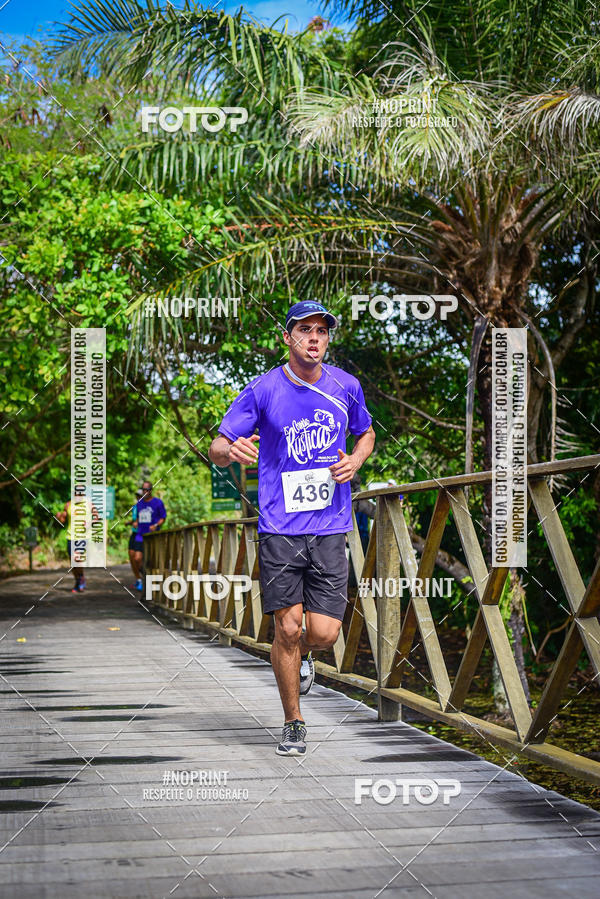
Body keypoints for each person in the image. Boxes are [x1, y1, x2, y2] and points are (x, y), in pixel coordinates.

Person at [209, 301, 375, 756]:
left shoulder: (347, 386)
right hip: (280, 525)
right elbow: (218, 446)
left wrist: (356, 460)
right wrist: (231, 450)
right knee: (287, 628)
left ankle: (303, 660)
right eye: (305, 330)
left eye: (322, 331)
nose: (315, 338)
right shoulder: (263, 389)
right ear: (288, 337)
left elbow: (366, 433)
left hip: (330, 525)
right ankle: (293, 722)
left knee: (323, 634)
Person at [132, 480, 166, 591]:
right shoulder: (139, 503)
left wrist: (156, 525)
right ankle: (145, 575)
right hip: (140, 534)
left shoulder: (158, 503)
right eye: (143, 490)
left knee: (153, 560)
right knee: (137, 558)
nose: (145, 492)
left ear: (151, 490)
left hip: (153, 535)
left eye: (147, 490)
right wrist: (136, 522)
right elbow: (138, 517)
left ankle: (153, 581)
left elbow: (163, 518)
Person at [57, 495, 95, 593]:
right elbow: (62, 521)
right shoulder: (68, 504)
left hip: (83, 536)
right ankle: (79, 580)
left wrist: (89, 524)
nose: (78, 495)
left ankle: (80, 579)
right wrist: (59, 516)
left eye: (80, 493)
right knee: (72, 564)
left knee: (77, 558)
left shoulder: (89, 504)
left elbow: (97, 517)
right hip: (71, 536)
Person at [128, 488, 144, 589]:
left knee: (138, 558)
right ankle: (138, 579)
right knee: (131, 555)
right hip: (134, 533)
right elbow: (134, 520)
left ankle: (145, 577)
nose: (138, 498)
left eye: (140, 496)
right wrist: (130, 523)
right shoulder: (135, 506)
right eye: (137, 496)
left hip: (142, 534)